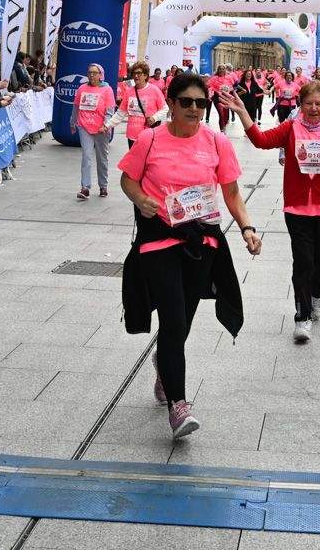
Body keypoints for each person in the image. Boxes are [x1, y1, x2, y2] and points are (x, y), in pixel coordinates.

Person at [118, 73, 262, 438]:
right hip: (159, 240)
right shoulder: (151, 139)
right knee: (173, 319)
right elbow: (128, 179)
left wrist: (247, 228)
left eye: (201, 103)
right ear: (171, 103)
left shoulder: (216, 142)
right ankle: (178, 406)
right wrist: (141, 199)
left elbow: (231, 193)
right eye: (186, 102)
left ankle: (165, 368)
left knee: (181, 324)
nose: (194, 109)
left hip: (201, 242)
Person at [222, 80, 320, 342]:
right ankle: (302, 316)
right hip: (297, 207)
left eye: (319, 104)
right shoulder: (291, 128)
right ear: (300, 105)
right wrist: (243, 113)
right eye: (308, 103)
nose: (313, 108)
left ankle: (317, 295)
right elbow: (261, 140)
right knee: (303, 261)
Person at [72, 63, 117, 201]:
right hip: (84, 126)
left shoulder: (107, 90)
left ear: (100, 75)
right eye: (89, 72)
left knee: (102, 158)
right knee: (86, 155)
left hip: (101, 129)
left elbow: (110, 111)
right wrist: (72, 122)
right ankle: (85, 187)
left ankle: (103, 185)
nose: (91, 75)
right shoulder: (82, 88)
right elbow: (76, 107)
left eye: (95, 73)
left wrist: (106, 125)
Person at [118, 61, 168, 147]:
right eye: (134, 73)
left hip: (148, 135)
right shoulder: (129, 92)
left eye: (139, 73)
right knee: (134, 156)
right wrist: (107, 126)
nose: (136, 76)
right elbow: (121, 112)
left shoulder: (154, 90)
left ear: (145, 75)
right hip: (132, 136)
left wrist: (154, 118)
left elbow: (165, 108)